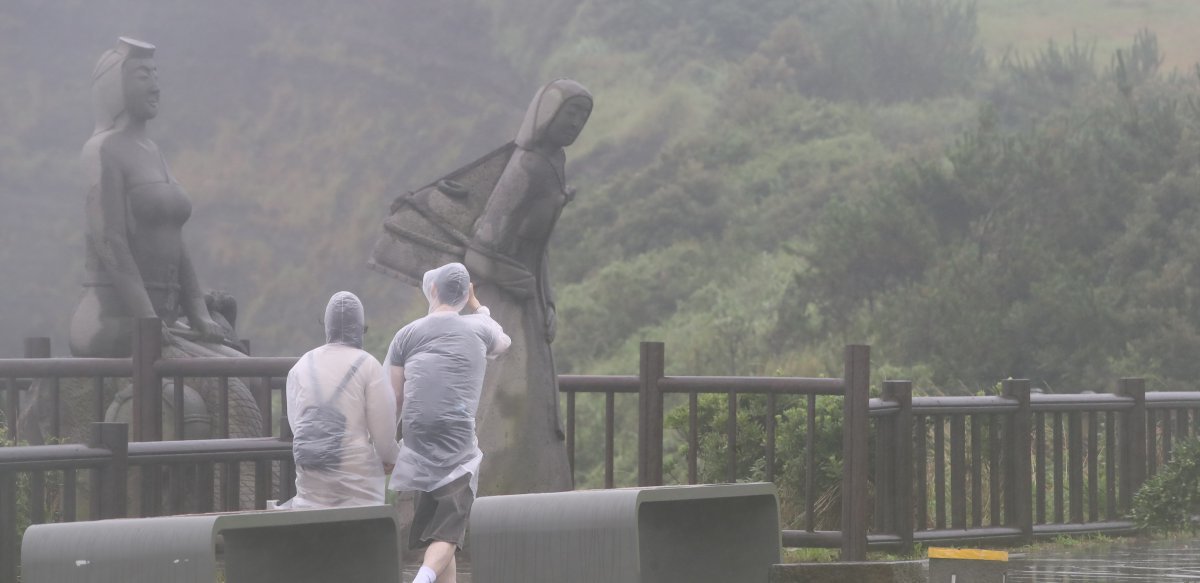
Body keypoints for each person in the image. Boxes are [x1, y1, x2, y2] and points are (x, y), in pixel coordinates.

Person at [67, 37, 263, 441]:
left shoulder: (151, 150)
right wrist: (149, 321)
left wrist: (197, 311)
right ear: (115, 87)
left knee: (250, 371)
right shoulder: (101, 150)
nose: (155, 86)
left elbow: (175, 237)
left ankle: (249, 493)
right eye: (143, 75)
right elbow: (111, 242)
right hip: (115, 320)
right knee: (227, 384)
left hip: (165, 319)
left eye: (156, 75)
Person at [463, 78, 592, 495]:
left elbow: (541, 247)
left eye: (583, 117)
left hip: (530, 304)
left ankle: (538, 494)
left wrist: (547, 298)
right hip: (503, 305)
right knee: (507, 400)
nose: (576, 123)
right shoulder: (527, 165)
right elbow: (479, 253)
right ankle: (490, 498)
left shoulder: (555, 162)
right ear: (547, 112)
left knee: (535, 405)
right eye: (570, 112)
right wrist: (516, 282)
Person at [388, 263, 510, 583]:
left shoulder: (407, 333)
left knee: (439, 532)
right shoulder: (478, 328)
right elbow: (504, 343)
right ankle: (421, 580)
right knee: (450, 530)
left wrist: (388, 447)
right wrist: (479, 307)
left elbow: (394, 398)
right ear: (462, 293)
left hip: (417, 439)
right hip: (456, 439)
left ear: (433, 290)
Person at [282, 291, 400, 508]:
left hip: (312, 474)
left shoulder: (301, 366)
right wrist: (390, 456)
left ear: (327, 326)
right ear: (360, 328)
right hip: (356, 477)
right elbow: (383, 432)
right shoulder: (368, 364)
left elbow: (297, 425)